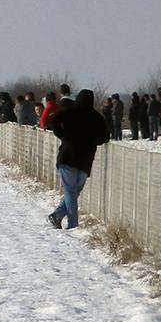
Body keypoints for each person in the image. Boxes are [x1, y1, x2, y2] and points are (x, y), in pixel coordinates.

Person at [47, 89, 110, 230]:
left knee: (71, 191)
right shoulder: (96, 117)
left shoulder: (70, 111)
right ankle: (72, 223)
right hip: (85, 160)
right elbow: (106, 137)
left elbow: (52, 119)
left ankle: (59, 216)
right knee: (73, 191)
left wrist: (62, 135)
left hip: (67, 156)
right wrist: (94, 141)